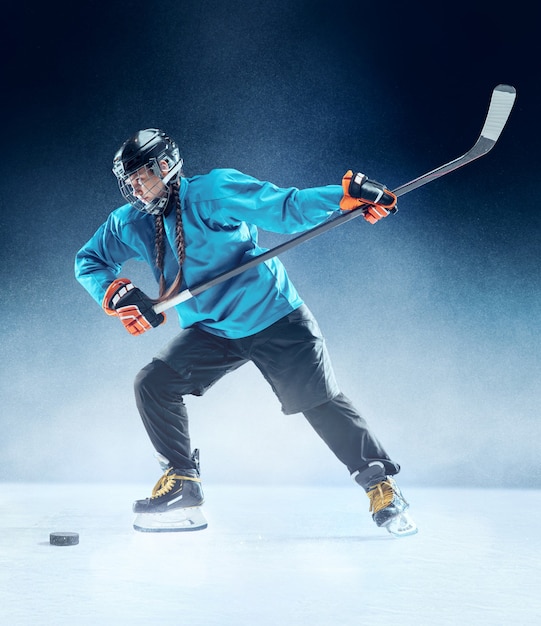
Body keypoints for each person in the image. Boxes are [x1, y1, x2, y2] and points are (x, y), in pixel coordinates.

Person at [75, 128, 417, 537]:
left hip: (272, 315)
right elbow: (89, 261)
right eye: (129, 182)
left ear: (166, 166)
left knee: (318, 401)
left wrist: (343, 198)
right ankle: (183, 484)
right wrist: (118, 294)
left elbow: (283, 207)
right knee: (154, 383)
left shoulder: (213, 192)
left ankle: (381, 484)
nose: (137, 189)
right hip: (213, 330)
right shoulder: (130, 222)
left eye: (142, 176)